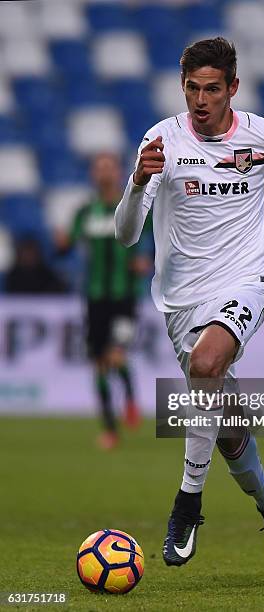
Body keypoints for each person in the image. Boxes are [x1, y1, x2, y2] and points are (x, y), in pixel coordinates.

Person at [115, 38, 264, 581]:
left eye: (212, 89)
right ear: (181, 87)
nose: (201, 100)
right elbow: (124, 235)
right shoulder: (162, 140)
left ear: (233, 87)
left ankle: (187, 504)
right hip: (181, 301)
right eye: (191, 89)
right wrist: (138, 183)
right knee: (227, 425)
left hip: (247, 282)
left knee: (207, 368)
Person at [57, 153, 151, 449]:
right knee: (98, 363)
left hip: (124, 297)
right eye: (99, 168)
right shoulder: (85, 212)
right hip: (95, 298)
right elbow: (66, 246)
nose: (104, 173)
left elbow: (154, 241)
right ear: (92, 175)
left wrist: (146, 261)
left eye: (108, 167)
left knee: (115, 356)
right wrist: (61, 243)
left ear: (119, 171)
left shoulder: (132, 207)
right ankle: (110, 429)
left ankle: (131, 399)